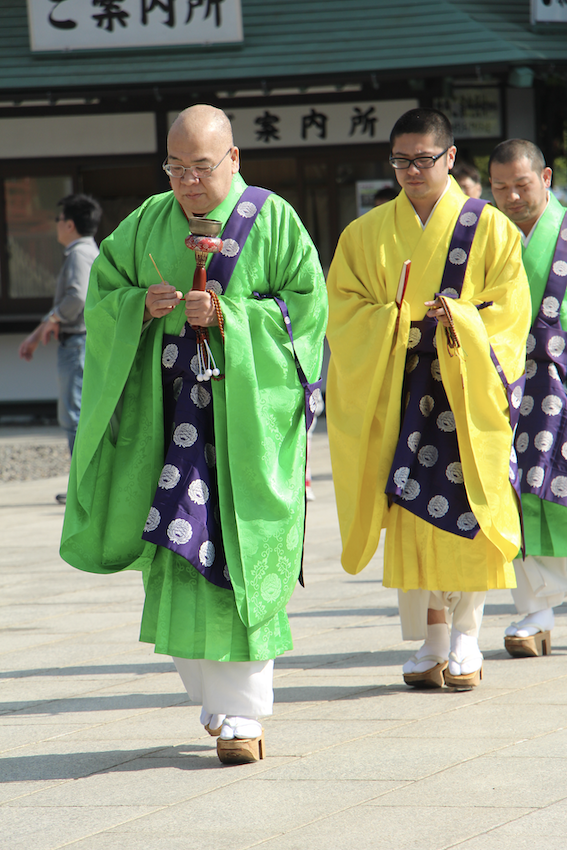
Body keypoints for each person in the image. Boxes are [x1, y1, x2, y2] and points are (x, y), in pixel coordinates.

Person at [60, 105, 327, 764]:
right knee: (174, 551)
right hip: (168, 421)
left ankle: (244, 714)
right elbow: (105, 293)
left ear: (233, 159)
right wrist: (137, 309)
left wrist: (232, 317)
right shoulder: (148, 220)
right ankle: (210, 695)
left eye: (200, 167)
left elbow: (308, 312)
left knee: (238, 557)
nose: (187, 182)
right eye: (175, 168)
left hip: (242, 427)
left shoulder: (272, 219)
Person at [326, 108, 530, 691]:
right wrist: (394, 322)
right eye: (400, 160)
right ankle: (430, 639)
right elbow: (343, 312)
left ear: (449, 158)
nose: (411, 171)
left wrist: (459, 320)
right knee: (409, 513)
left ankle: (466, 636)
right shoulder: (363, 235)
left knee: (468, 508)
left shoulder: (489, 228)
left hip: (464, 394)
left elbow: (510, 311)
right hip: (399, 390)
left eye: (423, 159)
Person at [490, 139, 567, 657]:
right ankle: (534, 611)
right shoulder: (487, 236)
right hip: (509, 385)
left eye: (521, 184)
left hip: (562, 380)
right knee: (516, 493)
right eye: (501, 188)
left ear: (545, 177)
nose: (512, 196)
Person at [18, 194, 102, 504]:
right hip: (79, 340)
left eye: (58, 220)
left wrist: (52, 319)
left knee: (74, 416)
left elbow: (77, 297)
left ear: (69, 224)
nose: (56, 226)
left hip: (76, 341)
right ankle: (85, 486)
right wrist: (44, 327)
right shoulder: (86, 251)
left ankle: (84, 488)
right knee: (78, 414)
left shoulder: (79, 254)